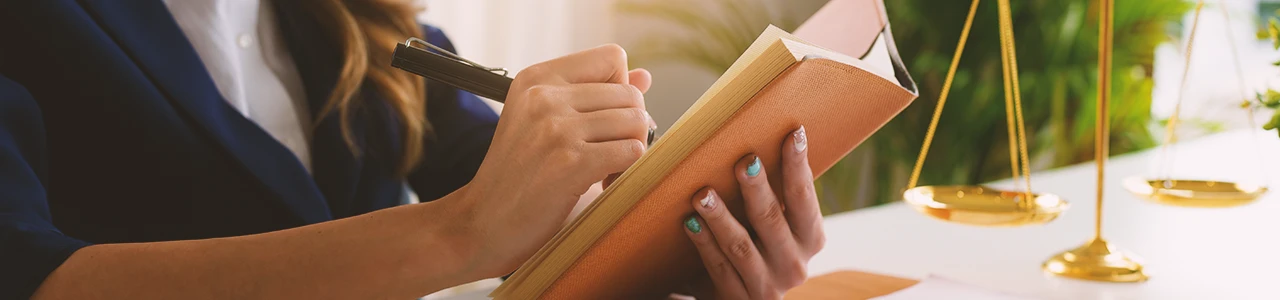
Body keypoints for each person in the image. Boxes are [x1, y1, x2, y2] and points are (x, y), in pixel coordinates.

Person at [0, 0, 823, 299]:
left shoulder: (357, 17)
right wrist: (457, 234)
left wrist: (678, 244)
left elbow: (505, 180)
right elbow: (34, 277)